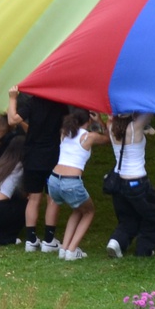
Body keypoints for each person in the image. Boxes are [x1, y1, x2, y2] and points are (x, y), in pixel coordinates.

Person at [9, 90, 66, 252]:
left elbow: (12, 119)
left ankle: (31, 239)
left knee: (33, 198)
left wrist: (12, 98)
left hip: (32, 156)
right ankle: (49, 240)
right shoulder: (60, 104)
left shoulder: (32, 103)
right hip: (52, 158)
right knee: (53, 198)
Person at [45, 109, 106, 261]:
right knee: (89, 212)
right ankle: (72, 251)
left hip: (53, 180)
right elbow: (109, 139)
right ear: (89, 120)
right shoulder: (89, 137)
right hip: (71, 181)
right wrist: (100, 121)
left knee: (78, 209)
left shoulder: (64, 133)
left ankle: (64, 249)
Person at [105, 113, 155, 261]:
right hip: (138, 182)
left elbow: (110, 117)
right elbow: (149, 111)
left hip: (119, 183)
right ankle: (144, 249)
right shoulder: (134, 128)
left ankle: (116, 241)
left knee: (128, 218)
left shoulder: (111, 127)